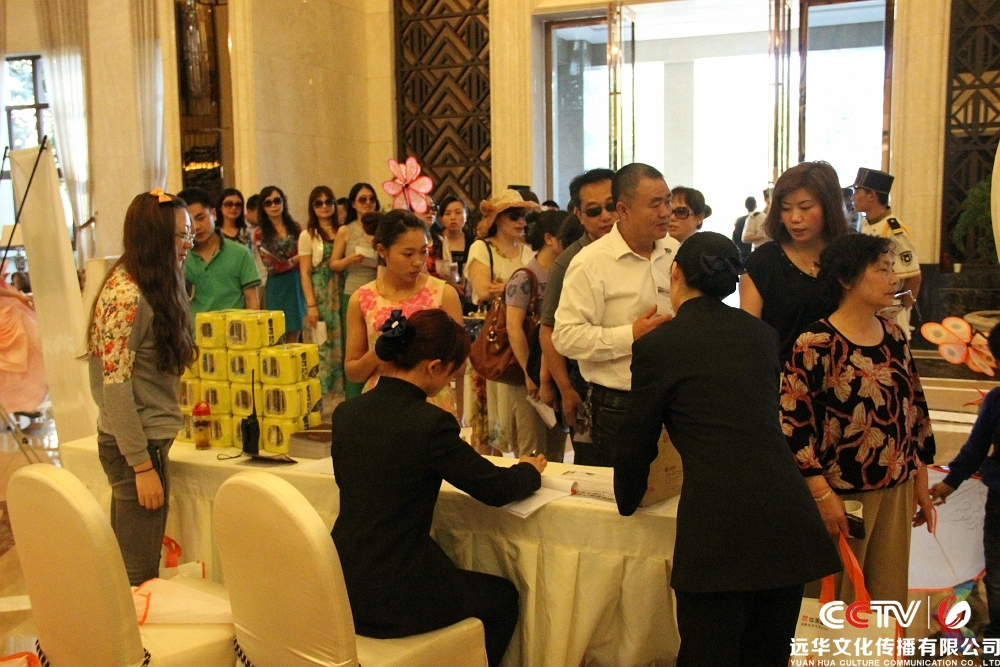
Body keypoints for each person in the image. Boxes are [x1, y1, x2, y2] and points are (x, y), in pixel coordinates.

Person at [614, 232, 840, 667]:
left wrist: (628, 497)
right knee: (767, 654)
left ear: (675, 273)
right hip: (786, 513)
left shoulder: (659, 345)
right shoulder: (761, 335)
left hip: (719, 524)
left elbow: (636, 437)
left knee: (708, 653)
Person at [332, 309, 546, 667]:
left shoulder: (346, 413)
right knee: (503, 598)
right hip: (391, 593)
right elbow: (494, 488)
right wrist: (529, 470)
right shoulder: (430, 424)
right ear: (433, 368)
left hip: (340, 581)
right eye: (451, 375)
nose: (449, 384)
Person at [781, 233, 936, 604]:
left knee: (886, 595)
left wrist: (920, 476)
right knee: (839, 599)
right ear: (846, 279)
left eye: (892, 269)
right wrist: (821, 493)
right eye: (882, 270)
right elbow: (792, 423)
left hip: (897, 487)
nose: (893, 279)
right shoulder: (816, 342)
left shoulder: (894, 334)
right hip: (842, 494)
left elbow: (914, 406)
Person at [87, 189, 197, 586]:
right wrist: (141, 464)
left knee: (129, 569)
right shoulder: (127, 294)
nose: (188, 245)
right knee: (137, 575)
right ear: (155, 238)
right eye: (181, 236)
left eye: (190, 234)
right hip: (137, 446)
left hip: (142, 441)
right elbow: (114, 388)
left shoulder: (150, 282)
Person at [553, 163, 680, 467]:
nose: (666, 212)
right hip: (619, 403)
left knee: (670, 488)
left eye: (668, 201)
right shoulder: (590, 263)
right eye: (655, 204)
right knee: (622, 491)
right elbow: (565, 337)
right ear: (623, 210)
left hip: (673, 396)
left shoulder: (674, 250)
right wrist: (630, 335)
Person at [345, 210, 464, 415]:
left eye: (423, 251)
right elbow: (353, 372)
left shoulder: (444, 294)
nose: (418, 261)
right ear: (382, 251)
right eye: (408, 254)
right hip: (381, 406)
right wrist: (379, 352)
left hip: (430, 406)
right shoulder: (362, 299)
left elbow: (460, 366)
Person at [538, 168, 617, 465]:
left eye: (611, 206)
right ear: (579, 215)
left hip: (636, 383)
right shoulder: (569, 262)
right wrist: (564, 388)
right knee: (593, 470)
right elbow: (548, 331)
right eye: (594, 211)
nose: (605, 217)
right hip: (586, 384)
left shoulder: (646, 248)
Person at [739, 161, 849, 362]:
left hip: (843, 372)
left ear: (829, 207)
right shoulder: (763, 262)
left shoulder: (848, 257)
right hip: (782, 374)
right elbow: (749, 340)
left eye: (806, 207)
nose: (795, 218)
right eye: (786, 208)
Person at [931, 325, 1000, 639]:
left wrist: (950, 482)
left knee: (997, 574)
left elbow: (976, 448)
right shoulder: (995, 400)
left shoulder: (996, 400)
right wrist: (951, 481)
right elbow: (976, 448)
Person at [464, 189, 540, 454]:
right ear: (497, 219)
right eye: (514, 216)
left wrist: (506, 287)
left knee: (517, 412)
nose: (521, 222)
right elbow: (483, 290)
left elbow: (533, 289)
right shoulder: (482, 248)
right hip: (492, 336)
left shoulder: (527, 251)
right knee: (489, 412)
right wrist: (516, 287)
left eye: (523, 216)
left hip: (518, 335)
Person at [503, 209, 568, 461]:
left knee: (557, 449)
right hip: (527, 376)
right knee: (532, 446)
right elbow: (514, 328)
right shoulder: (524, 277)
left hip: (555, 369)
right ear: (549, 239)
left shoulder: (564, 274)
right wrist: (529, 375)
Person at [852, 168, 921, 338]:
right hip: (868, 306)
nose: (853, 198)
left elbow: (914, 277)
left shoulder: (893, 230)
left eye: (857, 192)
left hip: (890, 307)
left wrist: (902, 309)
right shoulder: (866, 224)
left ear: (871, 196)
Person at [298, 185, 345, 413]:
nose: (324, 206)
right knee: (321, 345)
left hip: (341, 290)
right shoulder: (307, 235)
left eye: (328, 202)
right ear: (312, 207)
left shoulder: (343, 231)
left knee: (342, 344)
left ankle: (341, 398)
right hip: (320, 293)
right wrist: (311, 305)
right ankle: (321, 399)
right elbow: (305, 272)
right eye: (319, 203)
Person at [178, 187, 261, 316]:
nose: (196, 227)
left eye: (201, 218)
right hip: (193, 328)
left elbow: (252, 299)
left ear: (214, 214)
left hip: (233, 327)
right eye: (190, 222)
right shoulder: (181, 256)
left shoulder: (240, 253)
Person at [333, 183, 381, 398]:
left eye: (371, 199)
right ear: (353, 203)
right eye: (362, 199)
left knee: (376, 345)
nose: (368, 203)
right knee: (354, 348)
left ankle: (374, 396)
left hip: (378, 291)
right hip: (353, 291)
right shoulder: (346, 230)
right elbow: (333, 264)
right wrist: (348, 261)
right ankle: (353, 398)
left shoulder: (382, 229)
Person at [254, 185, 306, 342]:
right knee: (275, 333)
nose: (273, 206)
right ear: (263, 207)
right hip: (276, 285)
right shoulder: (260, 233)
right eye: (268, 203)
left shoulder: (295, 227)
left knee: (295, 332)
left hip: (296, 282)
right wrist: (295, 259)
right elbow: (271, 266)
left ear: (283, 202)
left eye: (277, 201)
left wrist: (291, 261)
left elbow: (305, 256)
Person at [429, 194, 474, 308]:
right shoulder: (434, 241)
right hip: (440, 295)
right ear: (441, 218)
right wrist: (450, 285)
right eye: (447, 213)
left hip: (468, 297)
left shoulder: (473, 242)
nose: (453, 217)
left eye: (458, 212)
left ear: (466, 216)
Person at [732, 196, 756, 262]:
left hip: (742, 255)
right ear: (755, 206)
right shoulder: (759, 220)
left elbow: (735, 240)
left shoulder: (739, 221)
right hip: (756, 254)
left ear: (745, 206)